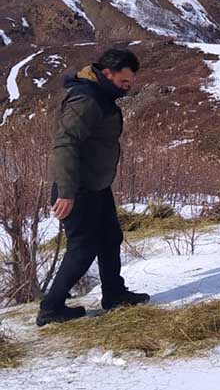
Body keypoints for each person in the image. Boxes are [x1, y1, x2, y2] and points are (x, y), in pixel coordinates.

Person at [37, 49, 150, 326]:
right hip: (78, 188)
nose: (128, 87)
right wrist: (66, 192)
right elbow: (65, 144)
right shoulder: (86, 100)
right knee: (82, 248)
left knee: (110, 237)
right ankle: (51, 308)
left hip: (97, 185)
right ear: (107, 74)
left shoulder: (101, 95)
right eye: (124, 82)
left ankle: (114, 294)